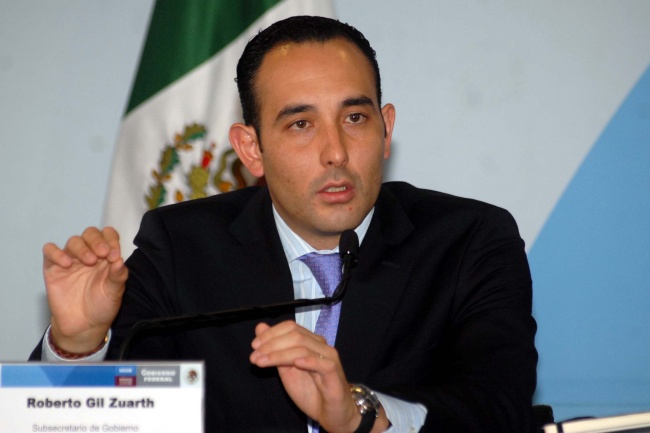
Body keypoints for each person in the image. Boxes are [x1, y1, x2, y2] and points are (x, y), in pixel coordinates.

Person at [30, 16, 537, 433]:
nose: (335, 152)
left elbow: (499, 409)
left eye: (355, 118)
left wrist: (361, 415)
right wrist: (79, 344)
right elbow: (105, 420)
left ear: (386, 130)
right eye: (300, 124)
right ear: (251, 149)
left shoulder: (469, 240)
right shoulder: (182, 247)